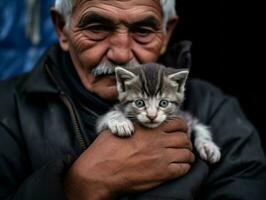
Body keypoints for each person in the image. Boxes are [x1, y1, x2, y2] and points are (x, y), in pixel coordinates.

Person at [0, 0, 265, 199]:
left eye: (143, 31)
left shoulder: (213, 109)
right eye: (97, 28)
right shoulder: (7, 108)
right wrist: (74, 188)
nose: (121, 54)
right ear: (62, 30)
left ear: (166, 33)